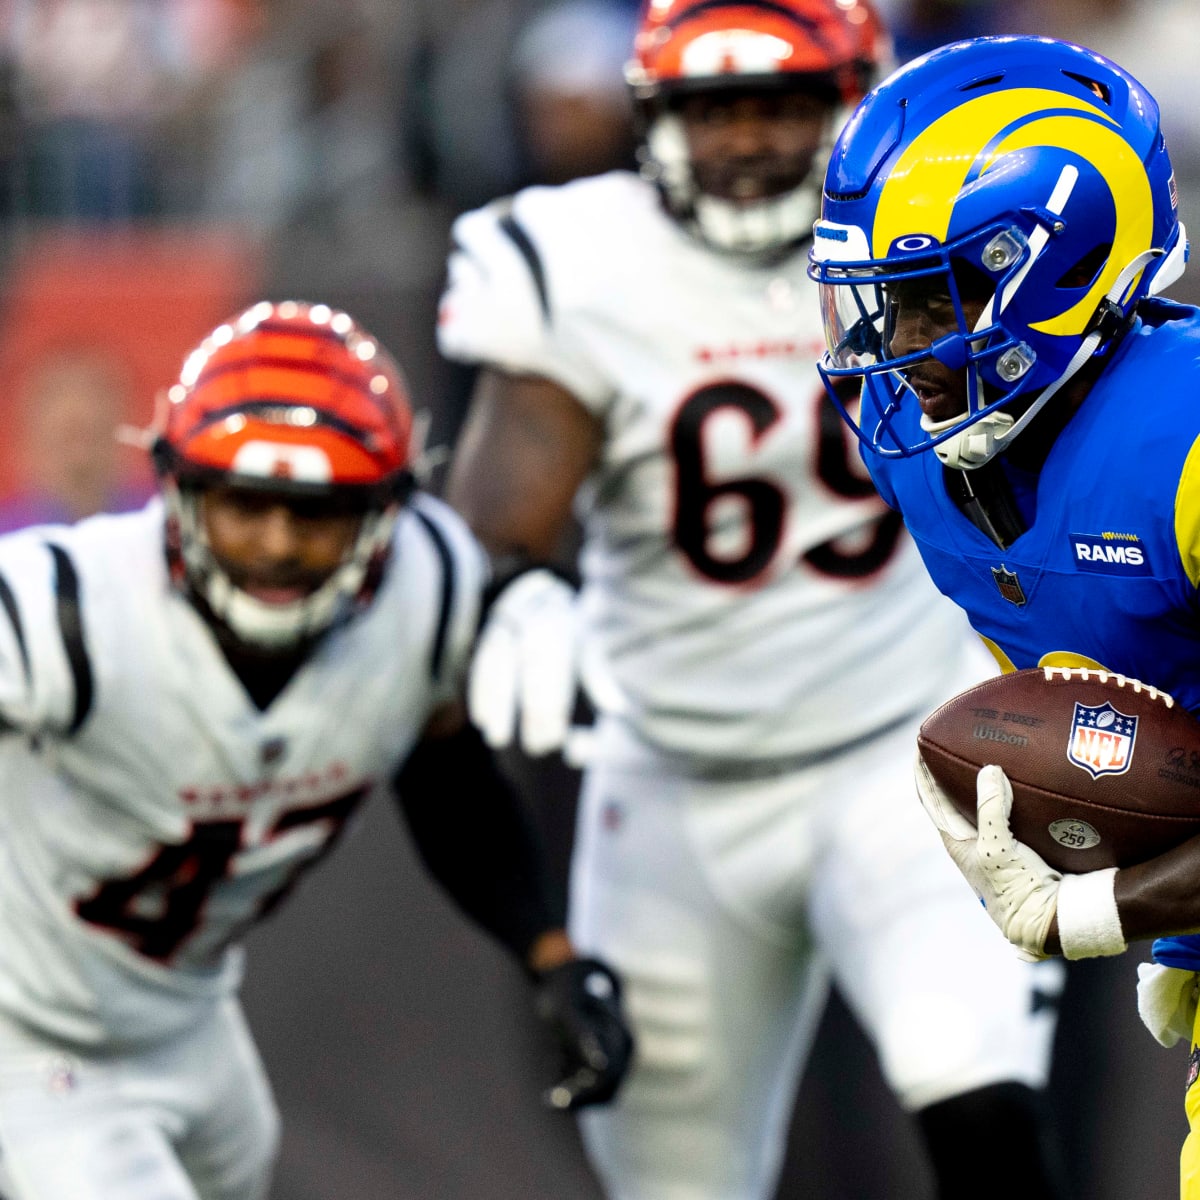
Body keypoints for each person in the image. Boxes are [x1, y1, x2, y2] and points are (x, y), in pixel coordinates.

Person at [436, 3, 1072, 1197]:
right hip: (671, 779)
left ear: (855, 103)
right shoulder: (574, 261)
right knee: (677, 1182)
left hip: (910, 749)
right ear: (654, 118)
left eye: (780, 107)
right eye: (715, 110)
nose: (749, 143)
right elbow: (506, 497)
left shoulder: (931, 230)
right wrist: (509, 587)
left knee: (978, 1098)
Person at [0, 299, 632, 1199]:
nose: (278, 544)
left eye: (318, 513)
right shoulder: (64, 610)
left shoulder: (427, 585)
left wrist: (549, 952)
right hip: (28, 1034)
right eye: (245, 504)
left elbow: (445, 776)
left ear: (383, 511)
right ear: (180, 491)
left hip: (194, 1022)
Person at [806, 32, 1200, 1197]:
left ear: (1066, 262)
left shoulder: (1179, 448)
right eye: (885, 307)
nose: (904, 354)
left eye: (937, 304)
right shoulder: (926, 462)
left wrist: (1114, 909)